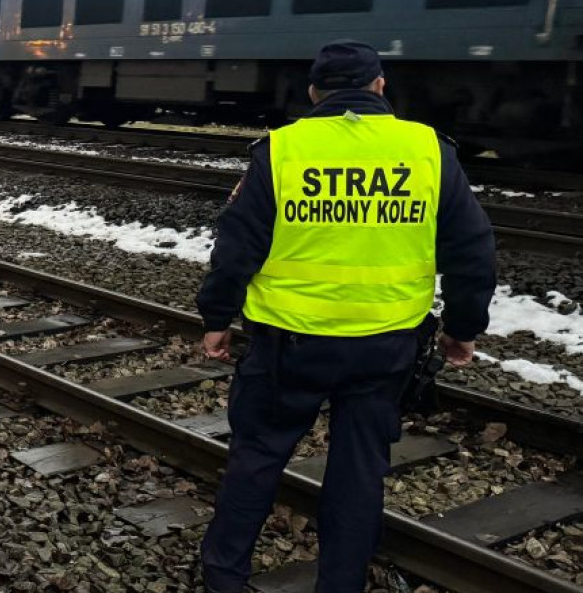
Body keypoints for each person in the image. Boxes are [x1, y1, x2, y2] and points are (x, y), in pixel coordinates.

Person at [195, 40, 496, 592]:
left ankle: (224, 577)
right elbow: (473, 249)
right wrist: (462, 328)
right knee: (359, 473)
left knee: (256, 459)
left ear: (314, 93)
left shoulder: (283, 150)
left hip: (290, 345)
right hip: (384, 348)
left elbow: (236, 246)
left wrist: (217, 317)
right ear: (381, 87)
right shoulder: (427, 149)